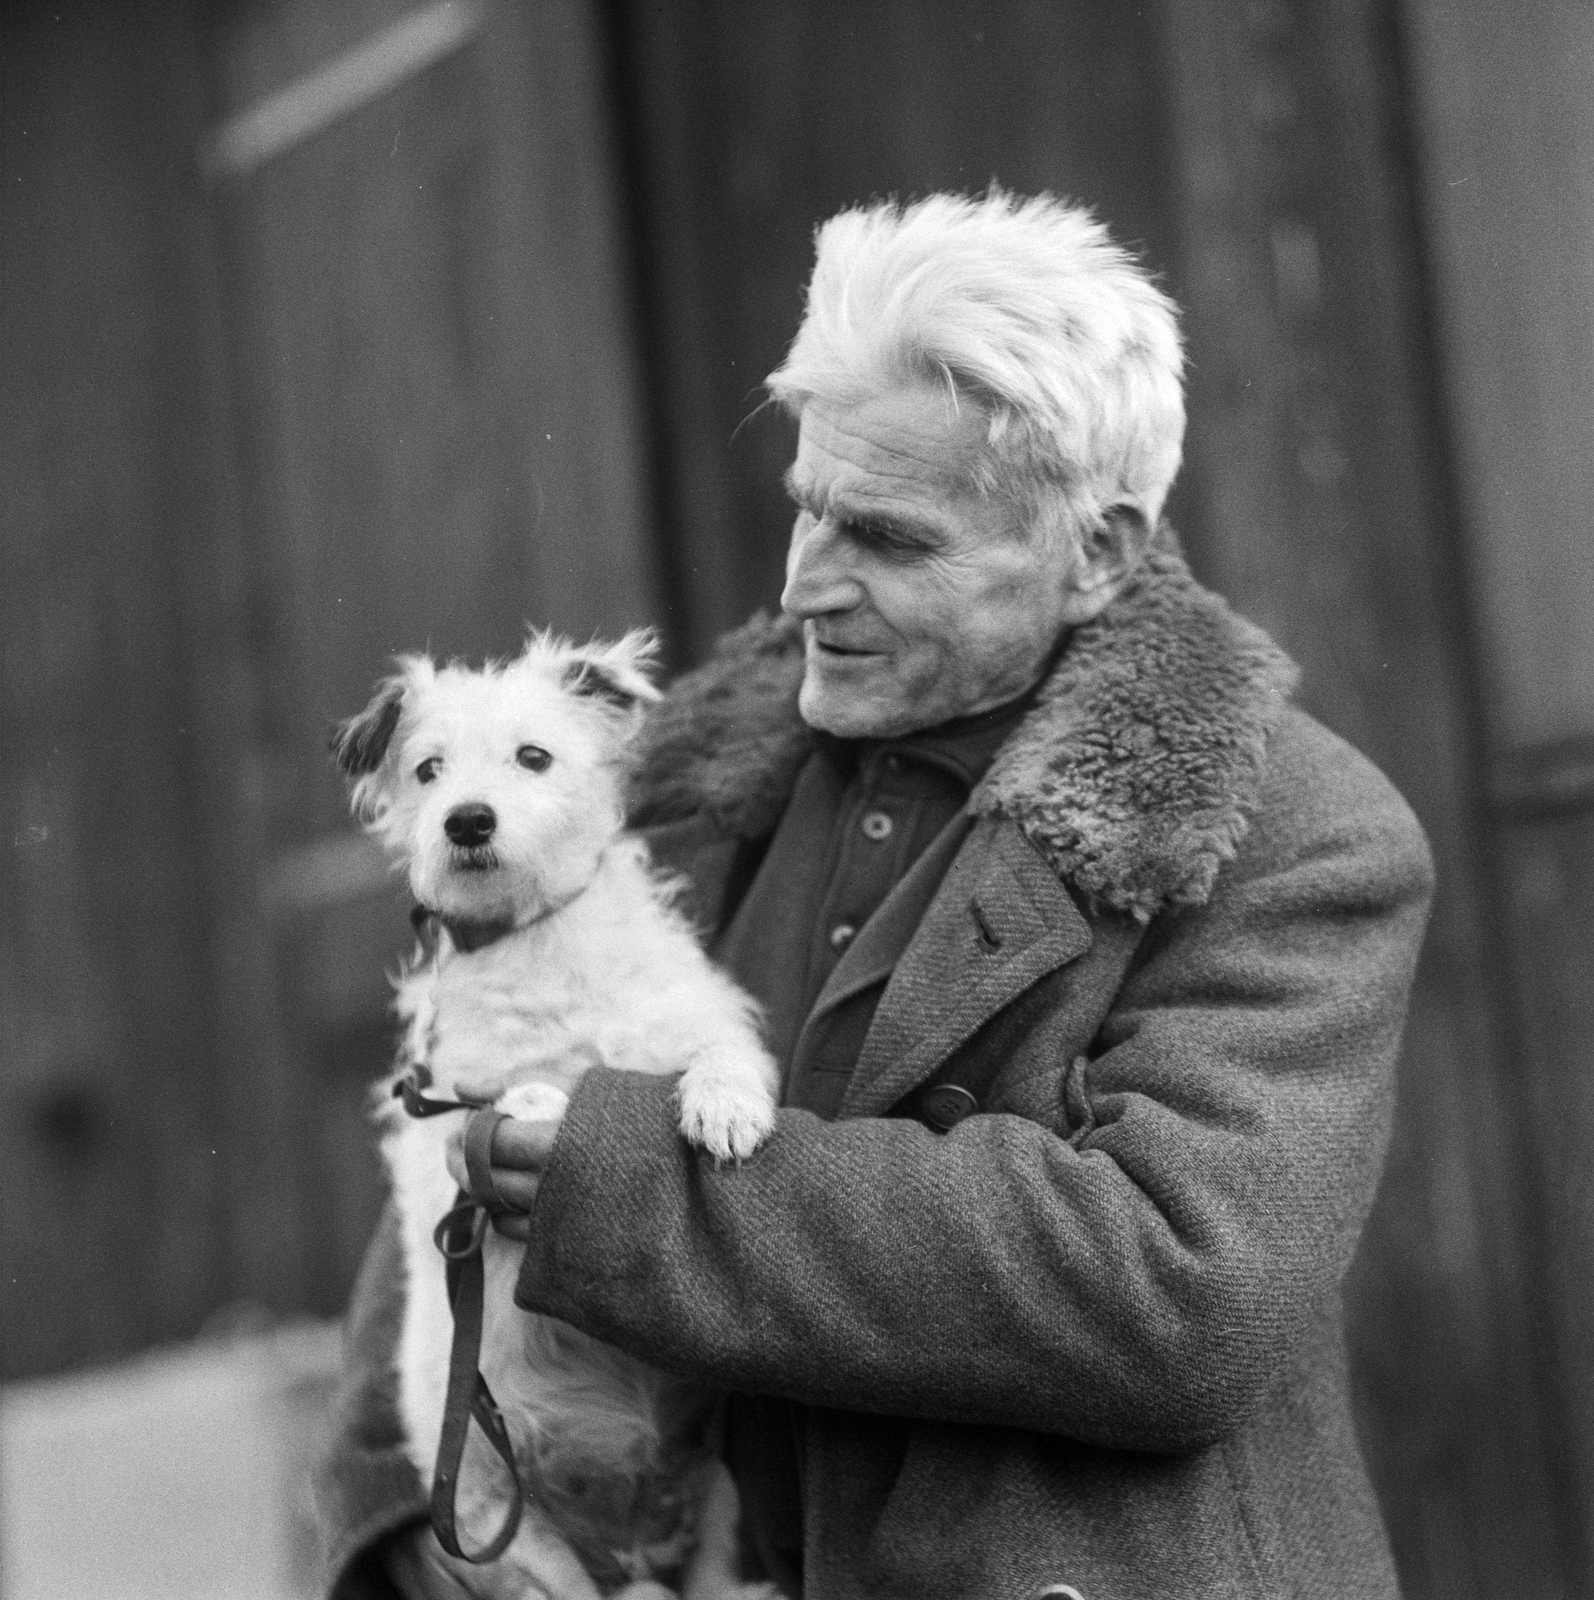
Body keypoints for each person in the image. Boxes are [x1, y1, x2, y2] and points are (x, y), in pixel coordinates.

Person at [314, 190, 1432, 1600]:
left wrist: (627, 1187)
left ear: (1097, 552)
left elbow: (1178, 1284)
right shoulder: (675, 779)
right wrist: (430, 1533)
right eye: (806, 511)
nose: (805, 590)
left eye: (890, 541)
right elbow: (447, 1151)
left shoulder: (1288, 832)